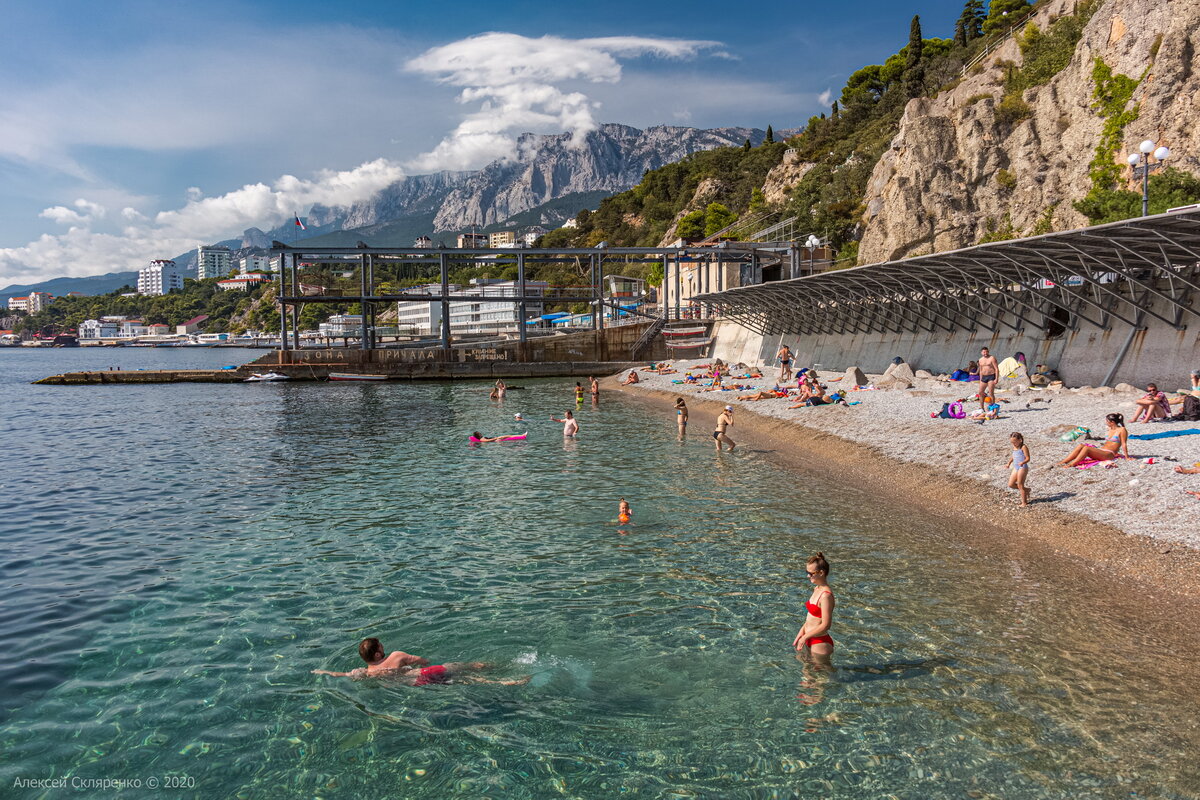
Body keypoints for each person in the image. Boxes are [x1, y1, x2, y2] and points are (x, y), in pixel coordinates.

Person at [313, 638, 528, 685]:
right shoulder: (396, 655)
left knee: (465, 681)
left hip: (418, 684)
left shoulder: (366, 672)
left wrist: (323, 672)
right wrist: (423, 662)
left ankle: (505, 682)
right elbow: (422, 660)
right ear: (378, 654)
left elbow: (342, 675)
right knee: (468, 668)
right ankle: (500, 669)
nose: (382, 646)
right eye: (380, 646)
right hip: (425, 672)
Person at [793, 553, 835, 662]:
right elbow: (811, 617)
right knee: (806, 674)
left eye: (811, 573)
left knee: (822, 677)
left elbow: (826, 625)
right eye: (807, 572)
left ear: (821, 573)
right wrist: (801, 633)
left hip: (820, 642)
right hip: (808, 638)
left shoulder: (826, 596)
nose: (808, 576)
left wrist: (805, 637)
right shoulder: (817, 589)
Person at [1058, 413, 1129, 467]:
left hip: (1109, 454)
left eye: (1107, 421)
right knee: (1081, 445)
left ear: (1112, 422)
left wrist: (1127, 457)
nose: (1106, 422)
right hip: (1101, 450)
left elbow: (1124, 444)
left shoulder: (1122, 430)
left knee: (1086, 448)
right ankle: (1064, 461)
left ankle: (1071, 464)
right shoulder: (1110, 429)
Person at [1006, 432, 1031, 506]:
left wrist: (1023, 462)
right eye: (1012, 442)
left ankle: (1024, 503)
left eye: (1015, 442)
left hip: (1023, 467)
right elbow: (1014, 456)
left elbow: (1028, 458)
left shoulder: (1023, 447)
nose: (1013, 444)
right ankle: (1027, 490)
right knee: (1010, 484)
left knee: (1020, 485)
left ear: (1020, 440)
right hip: (1016, 467)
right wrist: (1009, 463)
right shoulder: (1014, 447)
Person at [977, 347, 999, 414]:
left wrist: (996, 378)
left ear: (988, 352)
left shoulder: (992, 358)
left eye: (986, 352)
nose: (985, 353)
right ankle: (982, 408)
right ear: (981, 352)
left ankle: (992, 408)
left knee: (991, 393)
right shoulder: (980, 360)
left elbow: (996, 369)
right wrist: (980, 379)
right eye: (984, 352)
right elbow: (981, 370)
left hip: (991, 376)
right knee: (980, 392)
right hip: (984, 377)